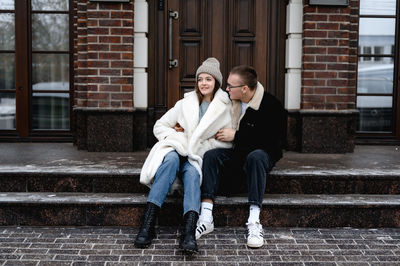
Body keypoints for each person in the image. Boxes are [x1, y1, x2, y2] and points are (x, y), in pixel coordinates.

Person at [135, 58, 233, 254]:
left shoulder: (226, 108)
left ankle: (188, 231)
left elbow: (226, 141)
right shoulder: (185, 103)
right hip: (177, 149)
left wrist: (201, 143)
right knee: (170, 160)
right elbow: (160, 126)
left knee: (193, 175)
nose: (204, 83)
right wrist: (177, 135)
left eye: (209, 79)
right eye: (200, 79)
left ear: (217, 83)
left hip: (196, 157)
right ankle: (148, 224)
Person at [195, 65, 286, 248]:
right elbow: (205, 115)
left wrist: (237, 135)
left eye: (230, 86)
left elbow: (273, 142)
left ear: (244, 89)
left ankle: (254, 220)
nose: (226, 89)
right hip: (237, 153)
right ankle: (206, 216)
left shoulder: (271, 105)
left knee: (256, 157)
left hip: (262, 155)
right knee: (211, 156)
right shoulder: (231, 102)